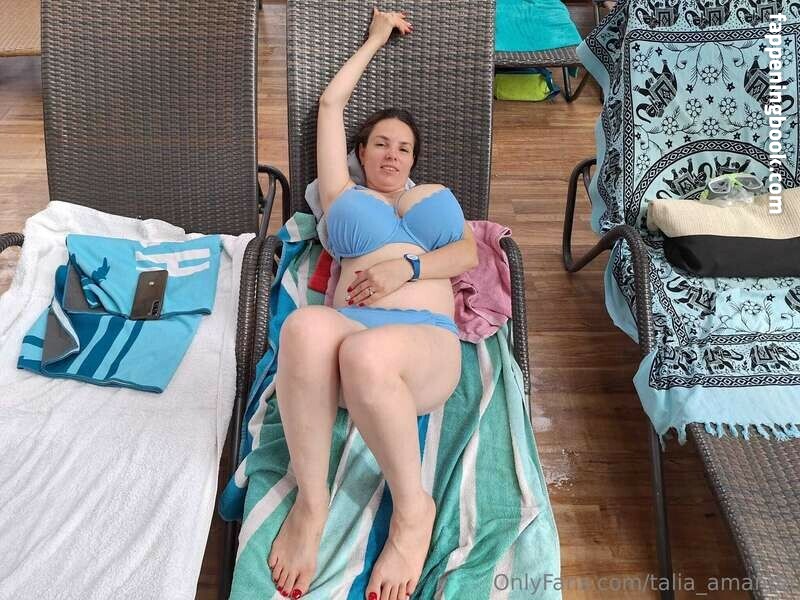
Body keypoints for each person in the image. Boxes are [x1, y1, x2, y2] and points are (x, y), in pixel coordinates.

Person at [266, 8, 478, 600]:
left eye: (404, 148)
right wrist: (376, 37)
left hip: (422, 339)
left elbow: (466, 254)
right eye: (381, 143)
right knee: (304, 328)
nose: (393, 154)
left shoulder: (435, 196)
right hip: (349, 328)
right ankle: (313, 502)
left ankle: (413, 511)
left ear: (414, 159)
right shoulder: (341, 194)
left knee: (366, 354)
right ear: (359, 152)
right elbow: (331, 105)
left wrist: (406, 267)